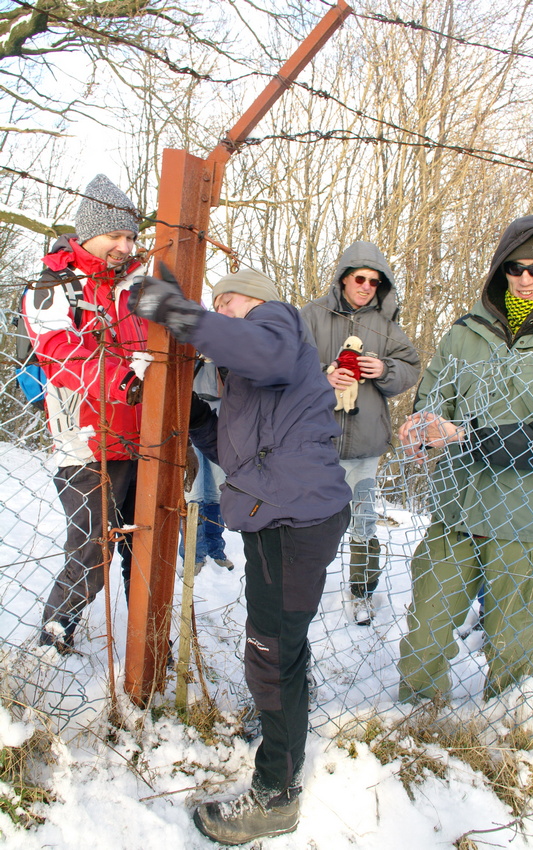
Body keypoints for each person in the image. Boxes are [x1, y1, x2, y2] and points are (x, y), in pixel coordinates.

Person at [129, 264, 351, 845]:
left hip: (292, 521)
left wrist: (180, 313)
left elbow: (264, 351)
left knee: (270, 651)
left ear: (247, 303)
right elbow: (234, 446)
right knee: (281, 642)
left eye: (223, 304)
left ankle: (276, 794)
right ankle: (280, 721)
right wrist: (195, 414)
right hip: (286, 515)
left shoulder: (275, 325)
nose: (217, 315)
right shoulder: (251, 375)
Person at [398, 215, 533, 703]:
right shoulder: (464, 332)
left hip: (524, 513)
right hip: (458, 506)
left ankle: (511, 719)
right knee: (428, 620)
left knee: (513, 630)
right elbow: (434, 399)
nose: (526, 278)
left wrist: (462, 435)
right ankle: (415, 715)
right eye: (514, 267)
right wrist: (423, 427)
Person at [22, 174, 149, 654]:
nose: (125, 245)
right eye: (115, 235)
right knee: (91, 553)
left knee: (149, 550)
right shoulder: (52, 284)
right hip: (86, 444)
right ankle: (54, 638)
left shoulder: (139, 283)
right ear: (88, 232)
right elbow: (59, 349)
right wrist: (122, 379)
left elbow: (173, 333)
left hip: (148, 439)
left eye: (131, 235)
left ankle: (147, 643)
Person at [301, 242, 421, 625]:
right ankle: (301, 584)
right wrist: (323, 375)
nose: (367, 286)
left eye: (375, 281)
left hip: (365, 445)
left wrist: (384, 369)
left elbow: (410, 368)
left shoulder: (386, 326)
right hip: (314, 443)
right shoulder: (312, 315)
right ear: (343, 278)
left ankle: (362, 590)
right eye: (360, 278)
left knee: (364, 521)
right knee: (305, 518)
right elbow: (287, 362)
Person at [180, 354, 234, 572]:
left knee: (216, 489)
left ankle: (215, 548)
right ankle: (193, 554)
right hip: (189, 406)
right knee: (193, 491)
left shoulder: (226, 324)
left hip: (221, 407)